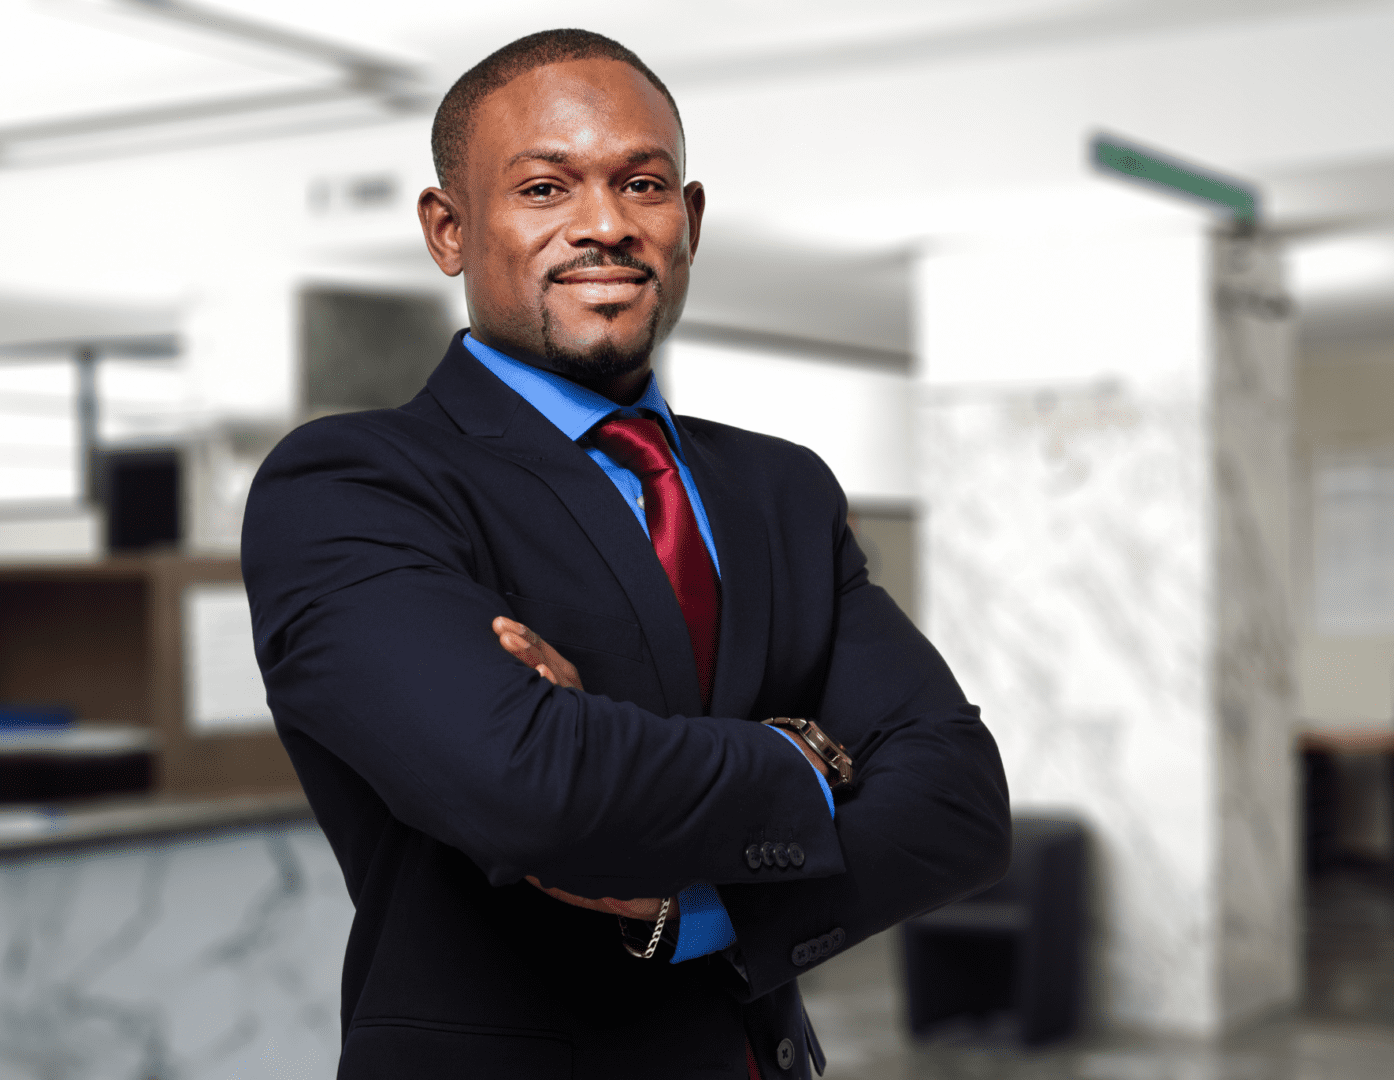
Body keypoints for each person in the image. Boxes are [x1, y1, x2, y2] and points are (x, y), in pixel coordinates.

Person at [243, 27, 1010, 1080]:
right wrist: (817, 756)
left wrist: (692, 905)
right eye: (546, 189)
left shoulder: (782, 490)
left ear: (687, 220)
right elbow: (530, 786)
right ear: (449, 228)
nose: (604, 225)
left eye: (643, 184)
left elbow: (960, 802)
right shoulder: (352, 484)